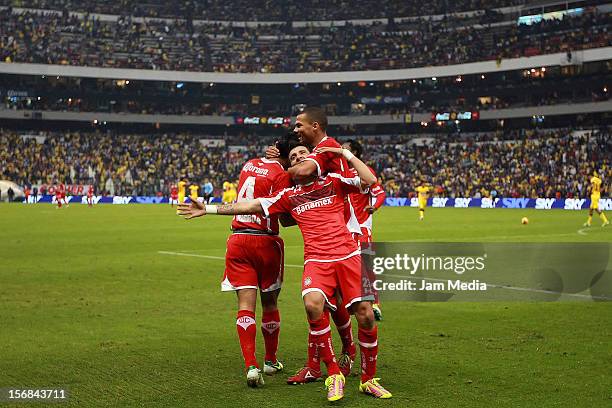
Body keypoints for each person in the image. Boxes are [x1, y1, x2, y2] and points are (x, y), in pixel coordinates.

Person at [178, 143, 392, 401]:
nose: (299, 157)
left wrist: (343, 153)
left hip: (348, 255)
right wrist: (209, 209)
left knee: (366, 315)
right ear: (290, 168)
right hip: (317, 260)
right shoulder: (288, 196)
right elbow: (250, 206)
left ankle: (369, 380)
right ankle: (334, 374)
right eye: (293, 157)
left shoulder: (333, 182)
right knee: (313, 305)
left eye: (303, 153)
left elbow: (369, 180)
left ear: (314, 159)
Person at [342, 139, 386, 321]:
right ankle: (348, 303)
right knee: (345, 266)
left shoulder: (364, 172)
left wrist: (373, 207)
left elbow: (380, 193)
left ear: (355, 153)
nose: (341, 152)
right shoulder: (338, 172)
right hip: (341, 228)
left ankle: (375, 304)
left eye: (345, 150)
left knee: (366, 265)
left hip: (361, 227)